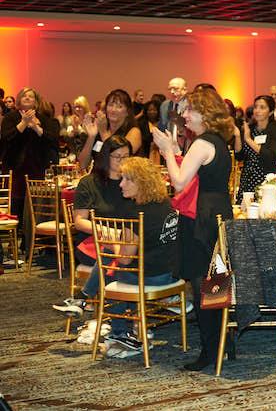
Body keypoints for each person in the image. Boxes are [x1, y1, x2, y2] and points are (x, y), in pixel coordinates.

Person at [152, 88, 234, 371]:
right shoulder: (218, 142)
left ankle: (210, 350)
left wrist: (165, 152)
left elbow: (178, 183)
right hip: (219, 213)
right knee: (217, 281)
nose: (184, 115)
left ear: (203, 113)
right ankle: (224, 341)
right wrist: (174, 150)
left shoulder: (201, 144)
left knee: (202, 284)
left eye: (189, 110)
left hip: (201, 218)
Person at [102, 156, 181, 356]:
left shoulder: (136, 214)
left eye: (127, 179)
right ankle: (133, 323)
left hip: (153, 278)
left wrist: (112, 242)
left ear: (142, 182)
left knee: (113, 268)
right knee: (113, 265)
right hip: (172, 273)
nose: (121, 184)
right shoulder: (166, 204)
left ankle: (120, 332)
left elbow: (125, 259)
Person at [52, 136, 136, 316]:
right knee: (116, 253)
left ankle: (84, 299)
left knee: (120, 252)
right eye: (117, 157)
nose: (123, 161)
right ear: (106, 157)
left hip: (125, 243)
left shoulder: (133, 182)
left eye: (127, 156)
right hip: (92, 242)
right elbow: (80, 222)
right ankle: (120, 318)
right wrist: (110, 231)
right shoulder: (89, 183)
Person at [0, 87, 59, 256]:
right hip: (15, 169)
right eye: (24, 95)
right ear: (18, 100)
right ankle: (12, 247)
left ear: (36, 102)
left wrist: (36, 128)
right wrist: (23, 123)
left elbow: (52, 140)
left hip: (36, 169)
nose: (27, 98)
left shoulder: (43, 119)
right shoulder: (11, 118)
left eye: (31, 96)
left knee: (34, 207)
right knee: (16, 207)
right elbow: (6, 139)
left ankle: (30, 245)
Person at [236, 95, 276, 203]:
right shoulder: (250, 128)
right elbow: (239, 156)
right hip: (248, 178)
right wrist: (237, 136)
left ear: (271, 112)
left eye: (262, 107)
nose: (257, 110)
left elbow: (270, 155)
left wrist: (249, 140)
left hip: (266, 179)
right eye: (256, 107)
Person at [78, 89, 142, 169]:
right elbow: (83, 164)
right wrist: (91, 136)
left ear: (127, 112)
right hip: (98, 178)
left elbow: (119, 158)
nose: (113, 110)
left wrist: (103, 132)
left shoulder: (134, 132)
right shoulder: (101, 129)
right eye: (110, 105)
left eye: (119, 106)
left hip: (122, 179)